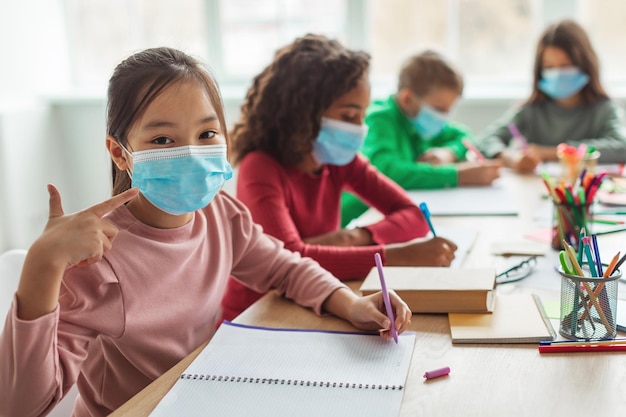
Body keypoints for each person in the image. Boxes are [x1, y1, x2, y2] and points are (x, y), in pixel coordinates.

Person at [0, 47, 413, 417]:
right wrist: (42, 266)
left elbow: (284, 267)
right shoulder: (97, 260)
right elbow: (22, 407)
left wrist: (350, 303)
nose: (193, 155)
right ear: (118, 153)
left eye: (207, 134)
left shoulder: (220, 213)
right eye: (163, 139)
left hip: (201, 395)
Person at [220, 34, 457, 323]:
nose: (360, 128)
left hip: (320, 302)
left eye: (363, 116)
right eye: (348, 116)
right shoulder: (261, 167)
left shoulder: (340, 161)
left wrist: (353, 237)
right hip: (258, 316)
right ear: (304, 114)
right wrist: (395, 255)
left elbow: (414, 215)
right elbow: (291, 260)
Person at [341, 50, 501, 226]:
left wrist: (448, 153)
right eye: (439, 110)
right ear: (407, 98)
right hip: (357, 221)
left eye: (449, 111)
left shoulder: (417, 122)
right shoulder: (379, 119)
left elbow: (465, 136)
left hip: (391, 214)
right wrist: (458, 175)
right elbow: (387, 172)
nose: (444, 118)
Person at [476, 19, 626, 173]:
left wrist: (553, 153)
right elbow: (485, 140)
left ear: (585, 64)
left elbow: (622, 147)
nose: (558, 74)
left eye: (566, 65)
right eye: (549, 67)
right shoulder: (531, 110)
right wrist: (511, 158)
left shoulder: (603, 109)